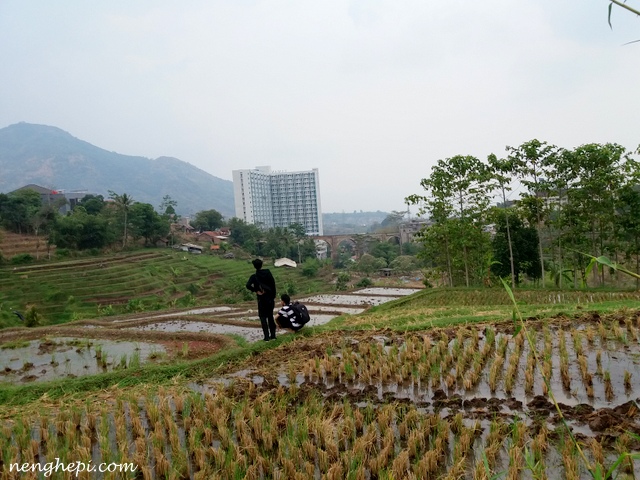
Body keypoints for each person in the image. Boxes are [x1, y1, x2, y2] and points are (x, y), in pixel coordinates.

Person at [246, 258, 277, 341]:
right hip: (270, 299)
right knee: (270, 316)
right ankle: (273, 335)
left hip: (261, 300)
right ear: (262, 264)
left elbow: (248, 285)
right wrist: (273, 296)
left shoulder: (254, 276)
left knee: (263, 317)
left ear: (254, 266)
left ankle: (266, 337)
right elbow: (273, 285)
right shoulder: (268, 273)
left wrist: (256, 291)